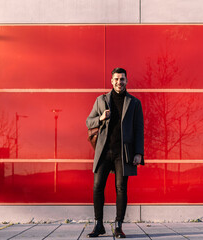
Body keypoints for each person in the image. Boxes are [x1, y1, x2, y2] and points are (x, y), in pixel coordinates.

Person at [86, 67, 144, 238]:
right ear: (111, 81)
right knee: (97, 187)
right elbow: (89, 122)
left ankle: (118, 226)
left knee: (121, 188)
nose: (119, 82)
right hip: (104, 151)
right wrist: (101, 118)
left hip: (123, 153)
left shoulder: (134, 103)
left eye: (122, 79)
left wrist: (138, 152)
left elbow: (139, 129)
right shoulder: (101, 100)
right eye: (116, 79)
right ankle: (98, 225)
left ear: (127, 81)